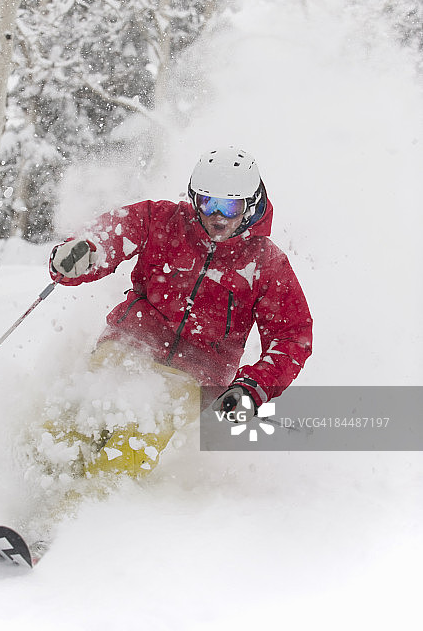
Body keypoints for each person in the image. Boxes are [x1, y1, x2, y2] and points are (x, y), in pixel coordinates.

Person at [47, 146, 312, 481]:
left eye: (230, 205)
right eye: (207, 202)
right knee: (76, 417)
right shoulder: (163, 220)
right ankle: (34, 496)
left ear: (250, 206)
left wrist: (252, 387)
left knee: (139, 431)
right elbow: (113, 234)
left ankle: (78, 514)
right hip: (128, 345)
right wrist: (84, 252)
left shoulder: (264, 263)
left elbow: (292, 336)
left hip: (194, 378)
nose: (217, 215)